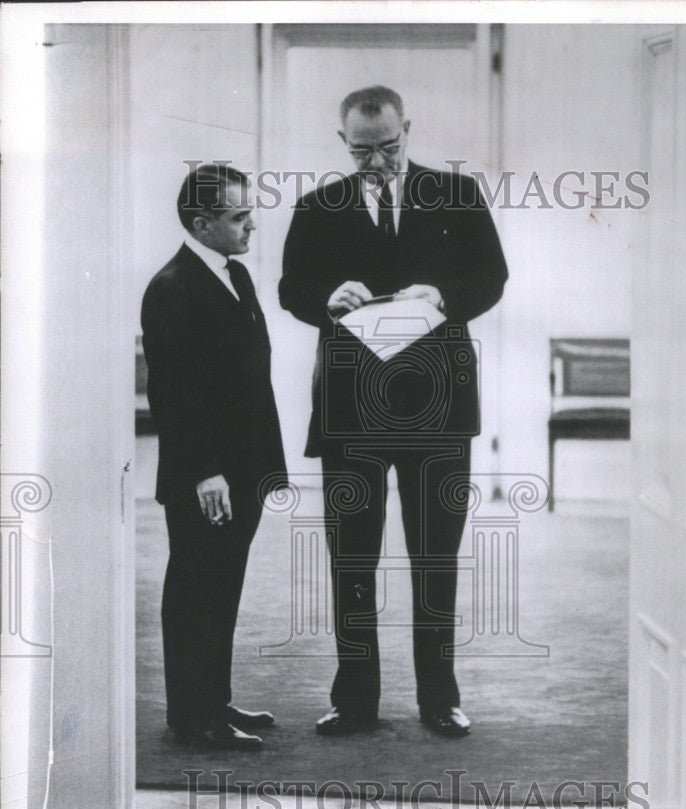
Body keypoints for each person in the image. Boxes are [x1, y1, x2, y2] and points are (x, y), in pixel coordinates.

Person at [279, 86, 507, 737]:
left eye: (388, 146)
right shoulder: (318, 206)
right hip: (352, 410)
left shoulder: (457, 196)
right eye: (360, 150)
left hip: (438, 409)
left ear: (406, 128)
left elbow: (491, 277)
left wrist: (440, 293)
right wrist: (327, 296)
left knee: (435, 557)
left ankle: (439, 699)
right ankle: (354, 701)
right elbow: (291, 289)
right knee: (351, 559)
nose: (375, 160)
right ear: (340, 140)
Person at [142, 164, 287, 749]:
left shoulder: (236, 275)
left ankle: (213, 702)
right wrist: (205, 472)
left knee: (221, 586)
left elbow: (250, 377)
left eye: (249, 211)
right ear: (201, 223)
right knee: (196, 589)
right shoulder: (172, 286)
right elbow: (172, 393)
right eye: (238, 216)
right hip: (208, 476)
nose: (252, 223)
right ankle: (193, 718)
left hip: (242, 469)